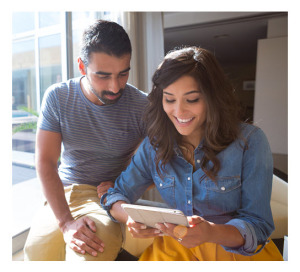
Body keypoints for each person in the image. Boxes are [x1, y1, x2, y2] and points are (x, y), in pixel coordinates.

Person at [100, 46, 283, 261]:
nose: (179, 112)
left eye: (192, 99)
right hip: (173, 251)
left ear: (212, 97)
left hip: (232, 253)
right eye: (169, 99)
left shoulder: (250, 141)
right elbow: (117, 195)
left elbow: (258, 227)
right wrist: (131, 218)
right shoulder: (155, 145)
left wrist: (210, 232)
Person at [23, 19, 148, 261]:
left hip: (107, 197)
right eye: (103, 76)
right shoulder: (58, 97)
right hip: (65, 192)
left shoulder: (142, 106)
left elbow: (165, 163)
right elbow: (46, 162)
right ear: (82, 66)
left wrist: (127, 187)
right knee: (35, 256)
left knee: (87, 257)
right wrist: (66, 223)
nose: (115, 86)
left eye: (123, 74)